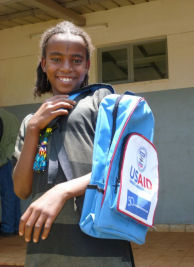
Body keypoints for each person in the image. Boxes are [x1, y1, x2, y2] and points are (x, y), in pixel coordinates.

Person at [13, 21, 135, 267]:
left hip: (102, 251)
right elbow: (22, 190)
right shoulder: (30, 122)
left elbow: (123, 168)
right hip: (45, 250)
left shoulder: (103, 104)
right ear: (44, 64)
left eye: (76, 60)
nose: (66, 67)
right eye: (56, 59)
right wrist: (36, 127)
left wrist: (62, 191)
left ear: (87, 65)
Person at [0, 108, 21, 236]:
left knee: (7, 195)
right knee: (13, 194)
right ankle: (16, 226)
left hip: (4, 158)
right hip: (14, 157)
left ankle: (7, 228)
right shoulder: (9, 115)